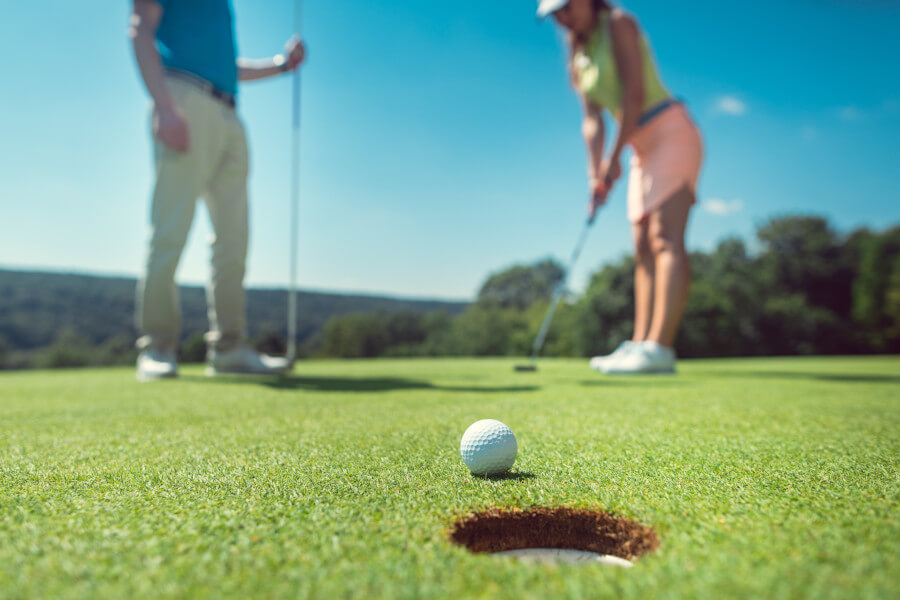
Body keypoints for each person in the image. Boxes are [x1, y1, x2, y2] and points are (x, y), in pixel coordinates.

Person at [129, 0, 306, 381]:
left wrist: (281, 65)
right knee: (170, 231)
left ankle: (229, 348)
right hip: (183, 99)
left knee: (233, 239)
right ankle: (157, 346)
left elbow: (228, 67)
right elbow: (140, 28)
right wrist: (164, 105)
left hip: (229, 113)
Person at [538, 0, 704, 374]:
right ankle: (640, 344)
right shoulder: (578, 55)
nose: (561, 17)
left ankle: (660, 348)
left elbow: (633, 94)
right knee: (641, 247)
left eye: (565, 7)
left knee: (665, 238)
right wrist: (595, 173)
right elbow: (592, 121)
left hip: (671, 132)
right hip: (639, 148)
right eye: (554, 13)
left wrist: (613, 160)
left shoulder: (619, 22)